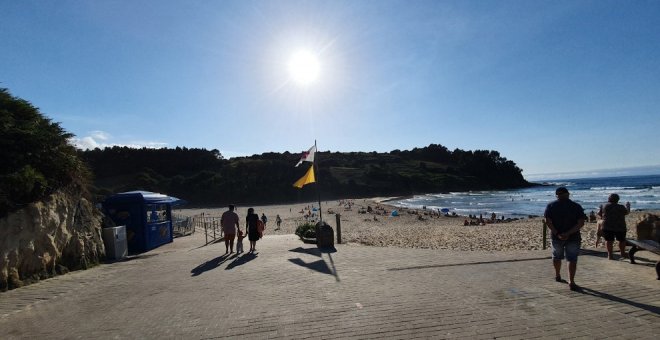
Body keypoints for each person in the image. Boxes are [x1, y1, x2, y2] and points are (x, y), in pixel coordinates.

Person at [544, 187, 586, 291]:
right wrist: (568, 233)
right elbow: (580, 223)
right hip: (573, 236)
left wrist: (557, 233)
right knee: (572, 259)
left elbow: (548, 221)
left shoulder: (551, 206)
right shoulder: (576, 206)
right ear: (568, 194)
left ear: (556, 195)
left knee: (556, 256)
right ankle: (571, 281)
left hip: (556, 236)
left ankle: (557, 275)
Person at [598, 194, 631, 260]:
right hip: (620, 226)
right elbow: (627, 212)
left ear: (609, 199)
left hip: (607, 225)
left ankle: (610, 255)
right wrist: (628, 206)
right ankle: (622, 253)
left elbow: (599, 213)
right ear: (617, 200)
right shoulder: (621, 207)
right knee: (621, 240)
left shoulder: (605, 206)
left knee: (609, 240)